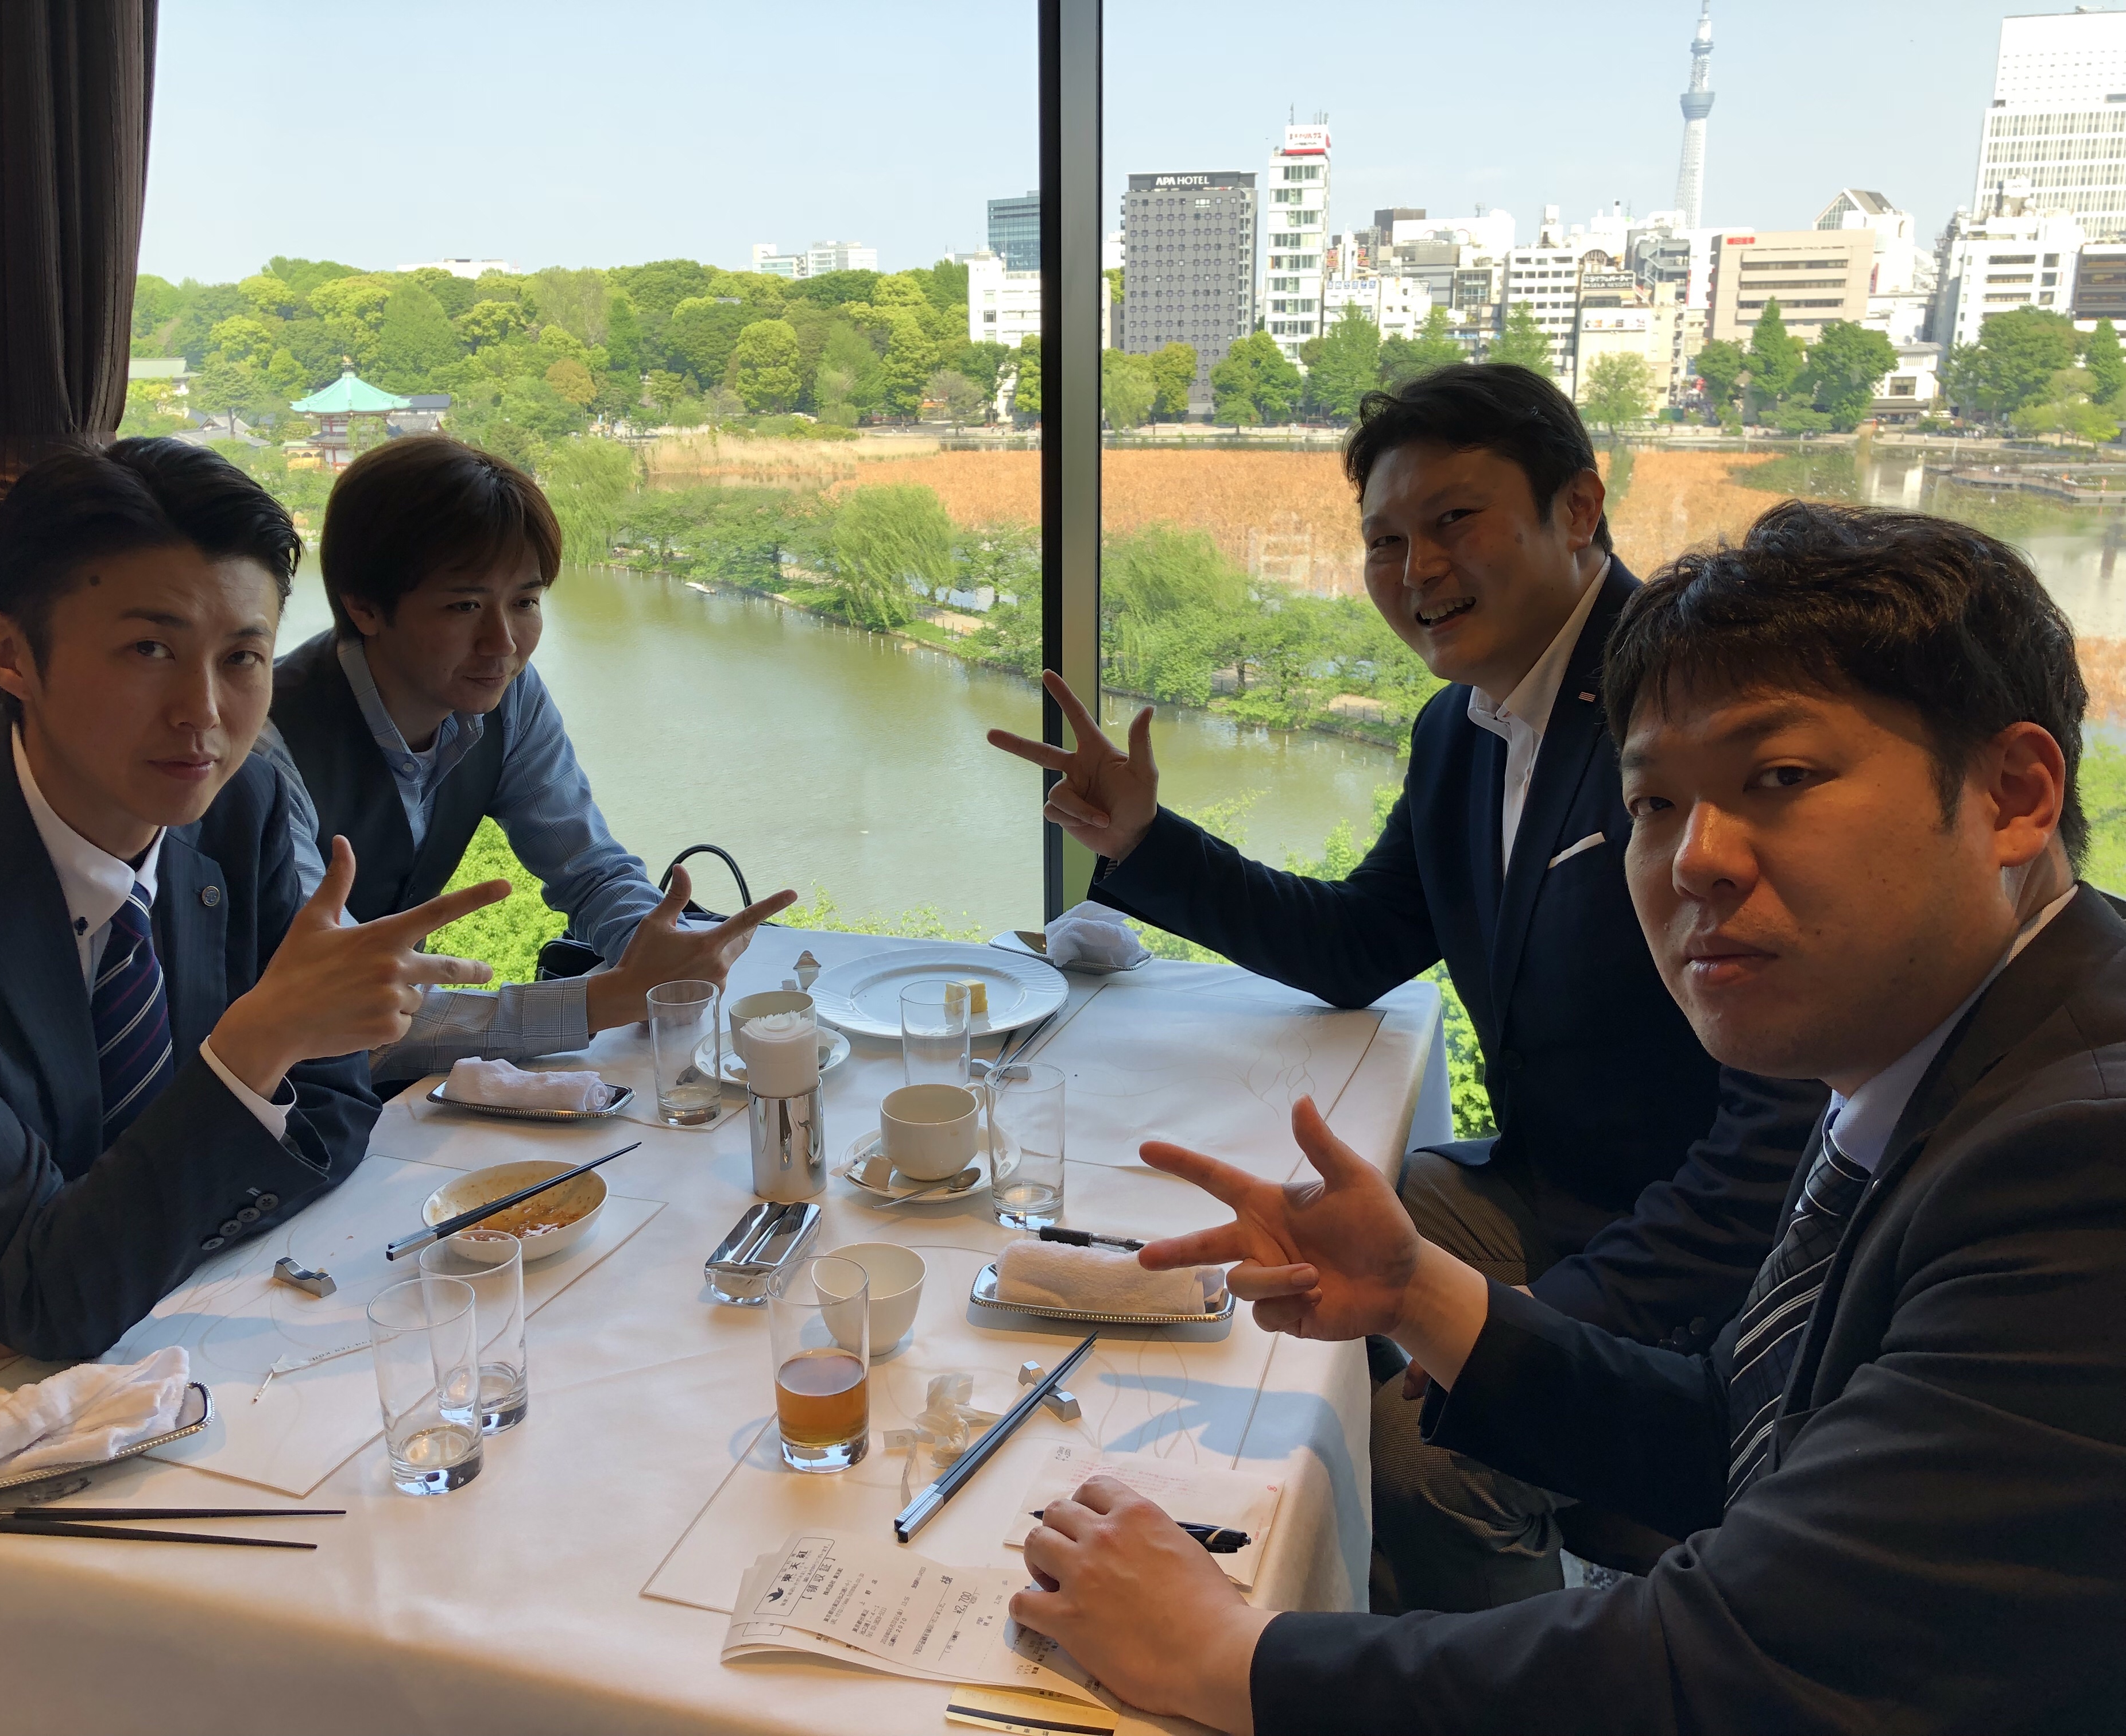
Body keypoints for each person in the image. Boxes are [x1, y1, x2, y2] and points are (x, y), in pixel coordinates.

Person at [1009, 501, 2126, 1733]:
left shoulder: (2082, 1163)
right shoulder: (1931, 1051)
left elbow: (1745, 1664)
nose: (1695, 859)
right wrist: (1421, 1295)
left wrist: (1231, 1657)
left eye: (1780, 777)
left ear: (2014, 795)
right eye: (1653, 805)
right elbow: (1738, 1433)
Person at [991, 363, 1825, 1609]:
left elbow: (1782, 1136)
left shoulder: (1681, 704)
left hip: (1713, 1255)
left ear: (1578, 508)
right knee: (1335, 1204)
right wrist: (1146, 845)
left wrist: (1526, 1326)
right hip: (1558, 1185)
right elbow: (1359, 940)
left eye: (1454, 520)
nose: (1416, 568)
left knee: (1425, 1455)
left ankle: (1508, 1660)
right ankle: (1354, 1571)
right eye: (1384, 539)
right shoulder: (1463, 731)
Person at [0, 439, 505, 1462]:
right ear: (8, 652)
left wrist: (74, 1266)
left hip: (121, 1343)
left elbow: (331, 1113)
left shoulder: (239, 805)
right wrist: (249, 1052)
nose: (205, 715)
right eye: (148, 650)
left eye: (243, 657)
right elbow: (57, 1291)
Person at [257, 436, 794, 1085]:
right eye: (464, 606)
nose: (503, 643)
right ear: (363, 605)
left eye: (526, 602)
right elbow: (348, 1002)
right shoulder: (261, 748)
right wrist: (602, 1001)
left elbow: (589, 869)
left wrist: (657, 944)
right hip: (272, 1094)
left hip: (393, 1094)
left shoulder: (503, 697)